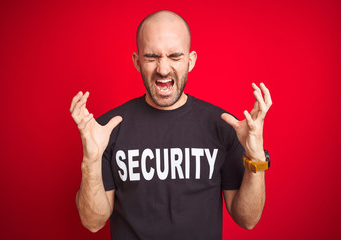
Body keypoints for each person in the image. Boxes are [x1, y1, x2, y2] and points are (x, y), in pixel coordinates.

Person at [70, 10, 272, 240]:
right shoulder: (106, 130)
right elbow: (93, 223)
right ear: (137, 62)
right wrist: (91, 162)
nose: (163, 69)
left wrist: (255, 158)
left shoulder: (225, 126)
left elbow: (247, 219)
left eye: (174, 56)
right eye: (151, 57)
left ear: (191, 60)